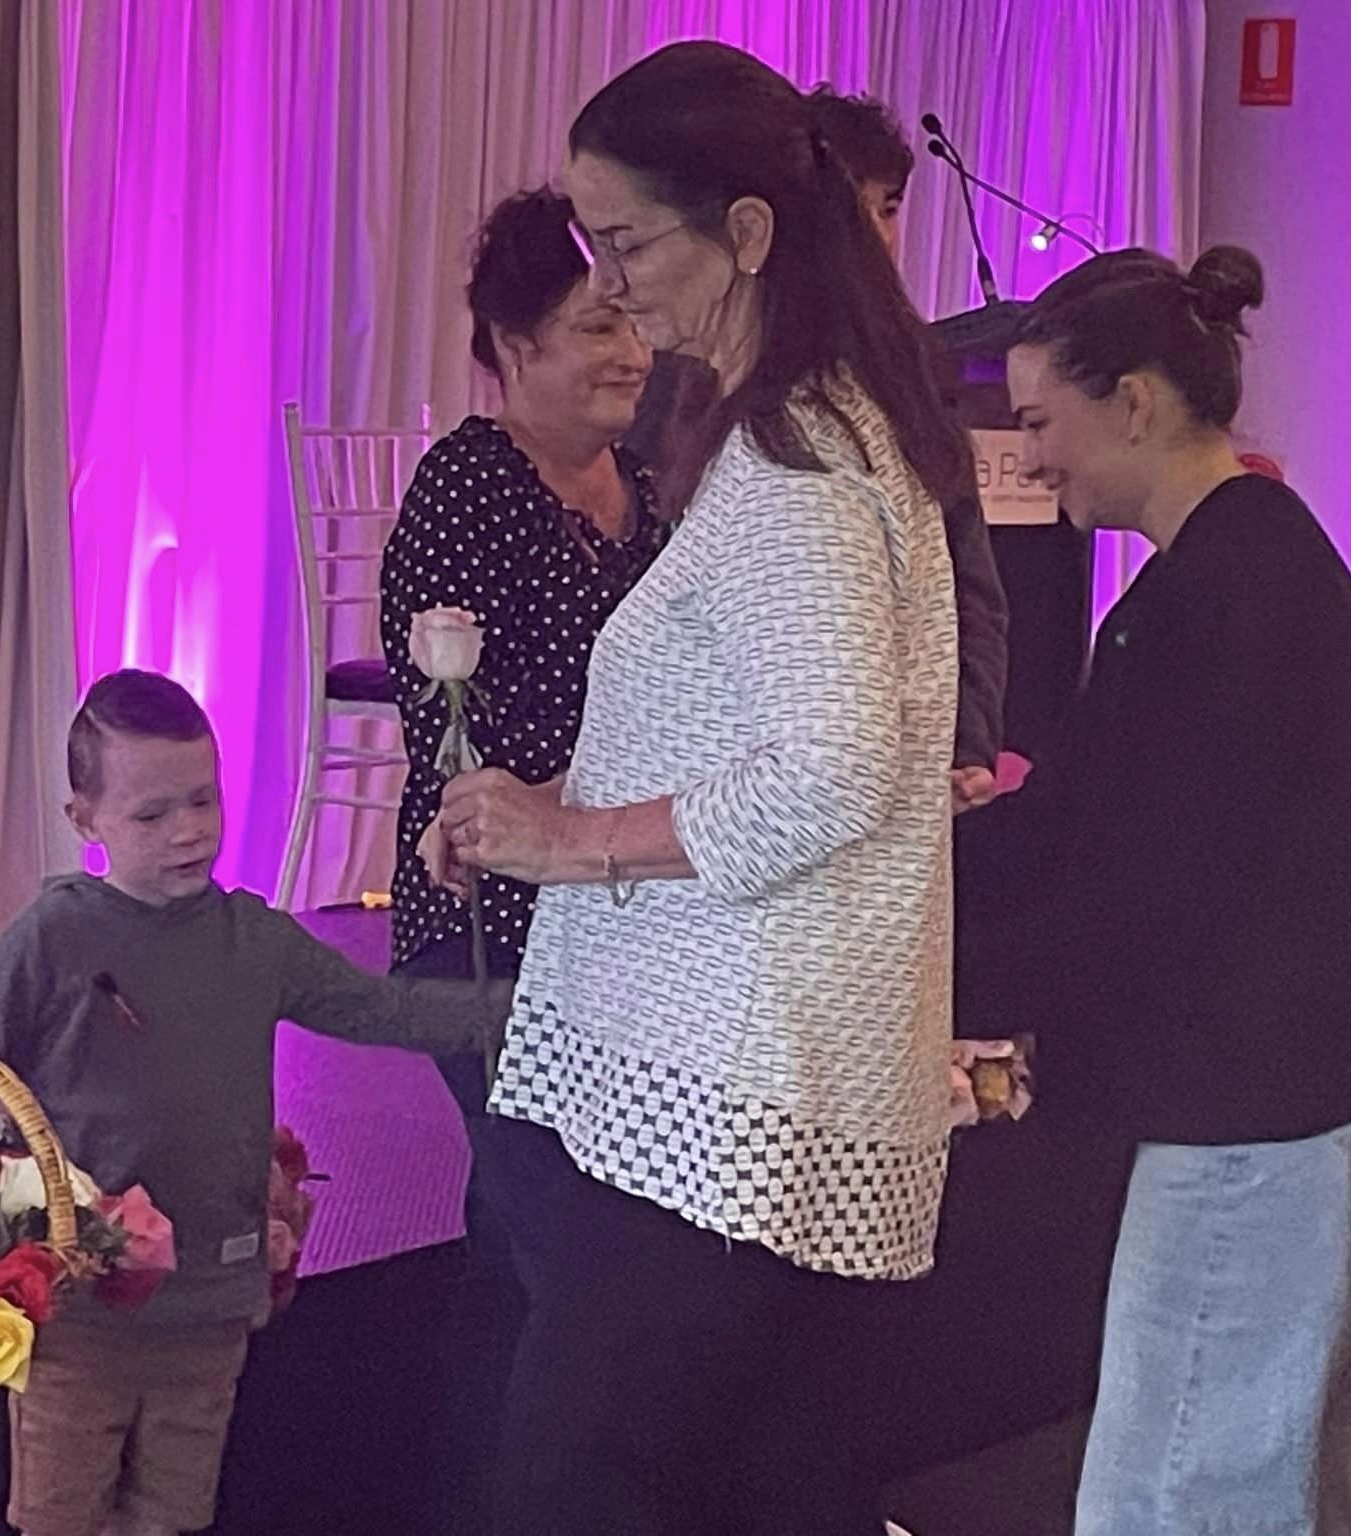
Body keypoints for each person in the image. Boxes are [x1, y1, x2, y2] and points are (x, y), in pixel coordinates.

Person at [437, 42, 970, 1533]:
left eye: (627, 244)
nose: (609, 288)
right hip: (744, 1081)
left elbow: (832, 770)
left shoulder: (796, 450)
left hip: (722, 1094)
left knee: (569, 1493)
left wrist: (575, 839)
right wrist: (545, 802)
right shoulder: (817, 419)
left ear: (745, 233)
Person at [0, 669, 503, 1536]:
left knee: (175, 1514)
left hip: (211, 1302)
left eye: (203, 801)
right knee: (58, 1515)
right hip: (79, 1311)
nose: (188, 832)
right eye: (151, 816)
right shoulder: (53, 935)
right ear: (86, 821)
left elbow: (388, 1009)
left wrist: (531, 1005)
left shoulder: (253, 939)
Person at [998, 246, 1351, 1536]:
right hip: (1286, 1120)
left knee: (1171, 1505)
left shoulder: (1219, 594)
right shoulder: (1244, 564)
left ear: (1137, 404)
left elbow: (1142, 879)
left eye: (1041, 420)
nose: (1030, 458)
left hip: (1251, 1130)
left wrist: (928, 968)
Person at [378, 184, 663, 1532]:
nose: (627, 351)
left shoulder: (644, 489)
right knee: (559, 1251)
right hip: (482, 920)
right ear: (511, 343)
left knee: (514, 1258)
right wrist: (560, 807)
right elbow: (455, 736)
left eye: (629, 321)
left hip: (614, 912)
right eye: (591, 327)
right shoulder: (470, 482)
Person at [628, 83, 1011, 809]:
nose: (876, 231)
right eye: (857, 206)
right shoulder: (690, 368)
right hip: (721, 766)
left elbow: (968, 583)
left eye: (890, 207)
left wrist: (965, 744)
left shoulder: (911, 371)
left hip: (879, 773)